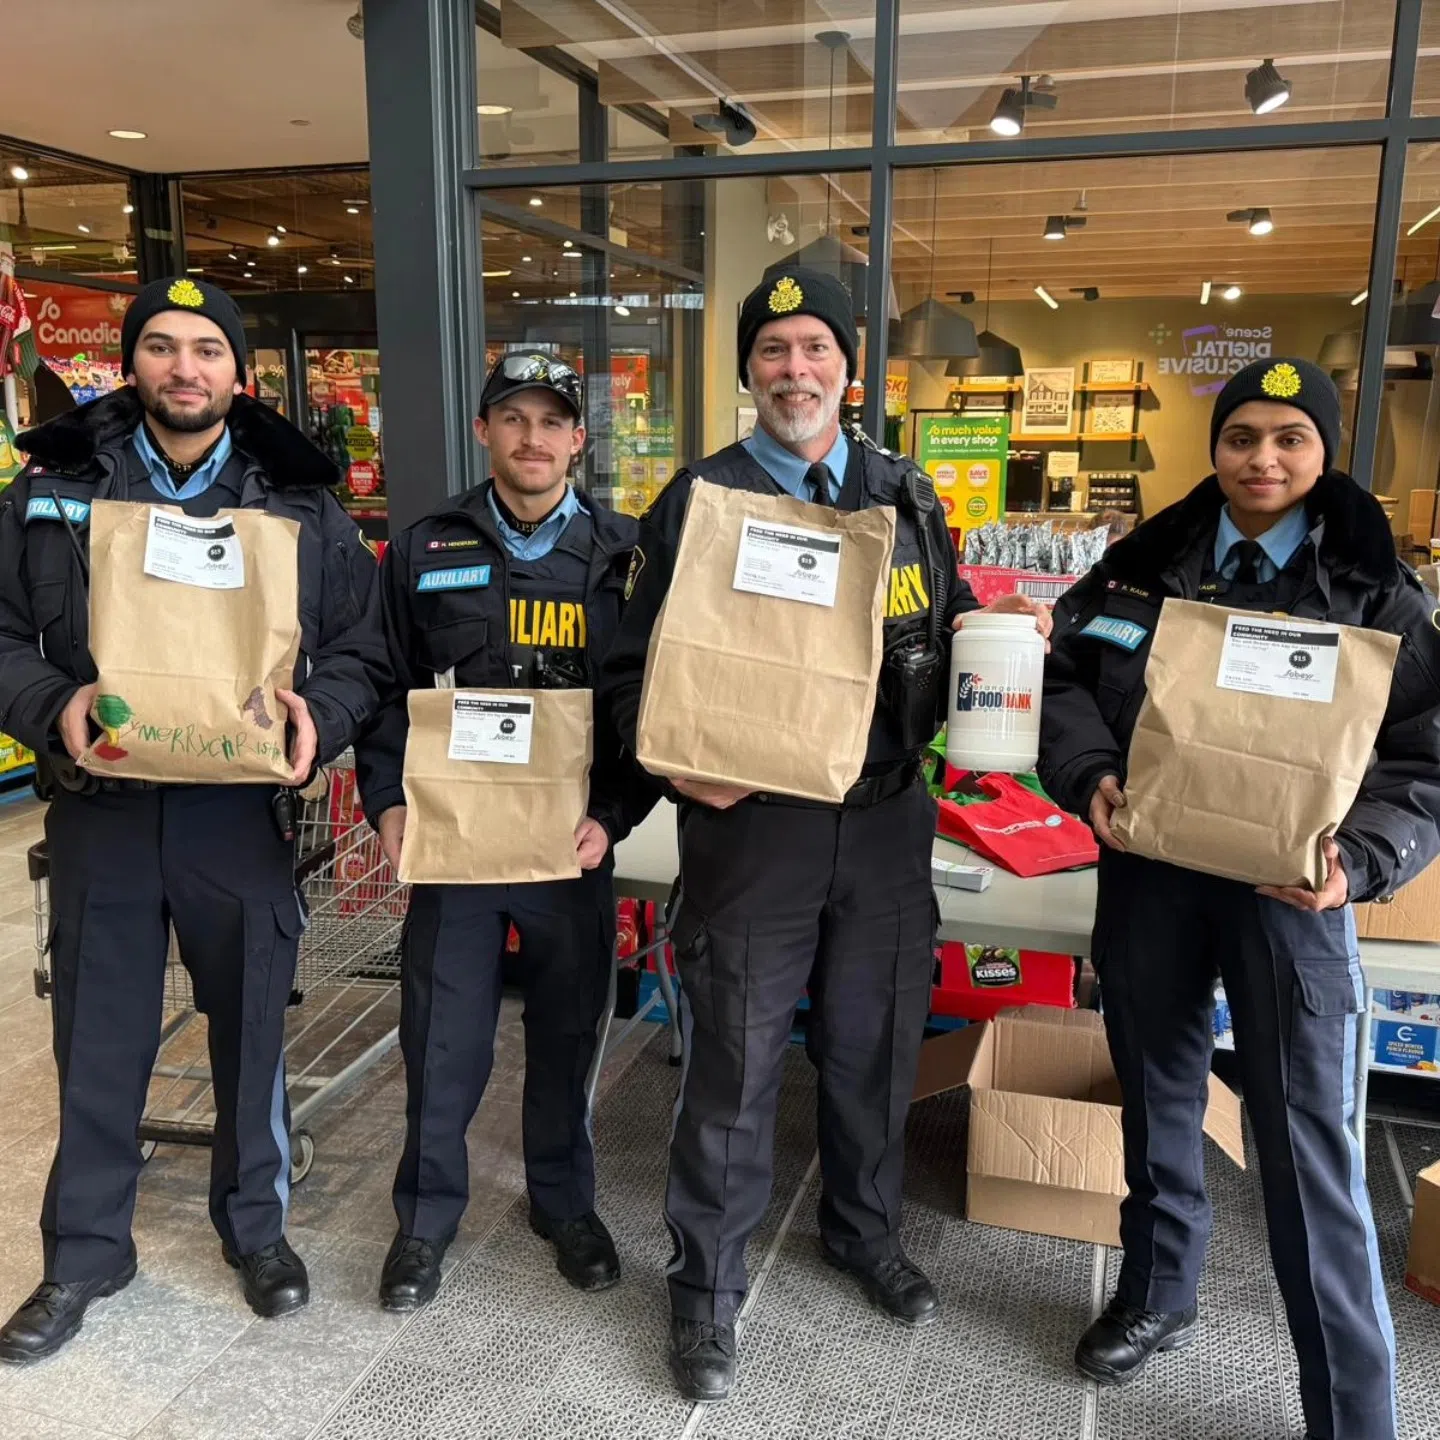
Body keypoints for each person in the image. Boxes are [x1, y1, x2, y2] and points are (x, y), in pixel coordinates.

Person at [599, 265, 1051, 1402]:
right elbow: (625, 666)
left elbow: (940, 628)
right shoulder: (699, 499)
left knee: (876, 1042)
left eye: (814, 349)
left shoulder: (904, 496)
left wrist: (995, 633)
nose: (794, 370)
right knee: (738, 1064)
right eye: (773, 351)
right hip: (755, 829)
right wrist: (669, 766)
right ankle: (705, 1291)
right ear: (748, 370)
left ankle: (861, 1232)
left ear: (851, 368)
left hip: (891, 816)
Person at [1039, 358, 1440, 1440]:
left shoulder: (1373, 586)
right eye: (1243, 436)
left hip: (1292, 902)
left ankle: (1353, 1415)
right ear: (1215, 447)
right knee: (1161, 1100)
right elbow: (1068, 681)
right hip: (1151, 881)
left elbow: (1423, 757)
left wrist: (1360, 859)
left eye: (1290, 438)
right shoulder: (1142, 565)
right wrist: (1089, 778)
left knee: (1308, 1145)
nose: (1263, 459)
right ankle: (1158, 1293)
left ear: (1323, 451)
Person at [0, 277, 388, 1360]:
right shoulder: (56, 487)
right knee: (99, 1038)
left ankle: (255, 1229)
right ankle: (85, 1254)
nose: (184, 368)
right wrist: (50, 704)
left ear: (240, 375)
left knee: (254, 1028)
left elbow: (366, 648)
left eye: (206, 350)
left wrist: (330, 715)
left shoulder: (298, 503)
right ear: (131, 367)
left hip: (237, 817)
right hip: (102, 811)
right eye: (162, 348)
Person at [354, 351, 656, 1310]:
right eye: (511, 418)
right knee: (443, 1041)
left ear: (578, 439)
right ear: (484, 431)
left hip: (572, 846)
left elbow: (649, 709)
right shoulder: (424, 548)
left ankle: (563, 1203)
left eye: (551, 421)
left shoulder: (629, 555)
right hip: (458, 848)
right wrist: (387, 802)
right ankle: (424, 1222)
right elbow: (381, 686)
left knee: (570, 1033)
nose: (532, 438)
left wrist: (614, 817)